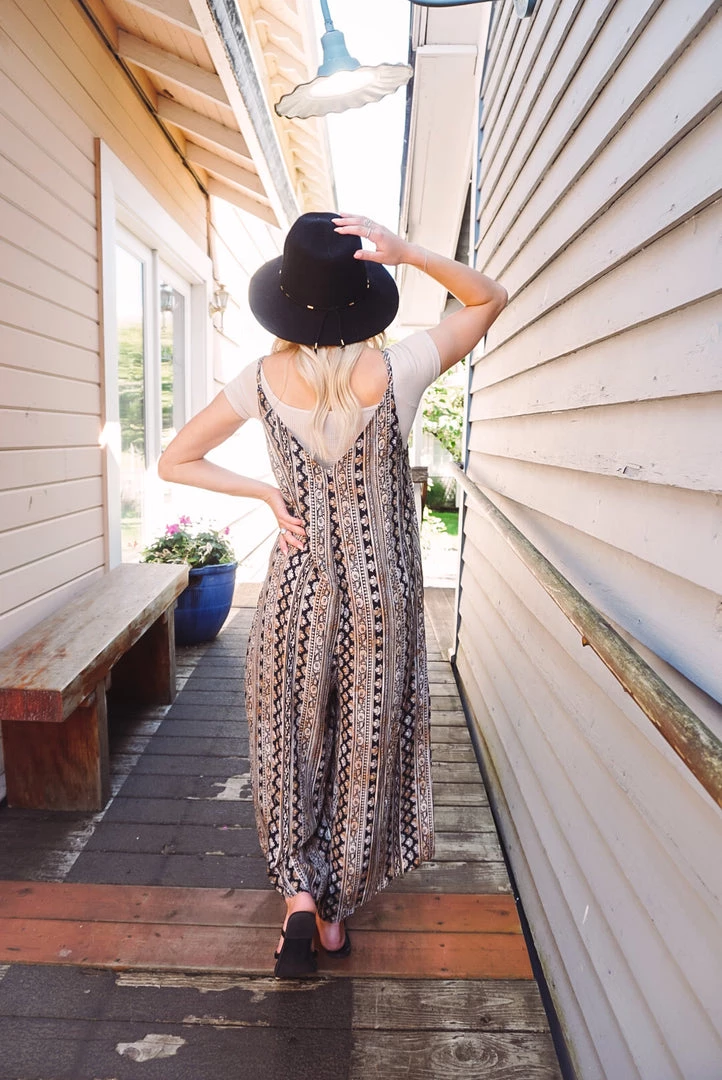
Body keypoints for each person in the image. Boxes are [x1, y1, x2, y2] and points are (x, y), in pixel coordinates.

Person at [158, 212, 507, 977]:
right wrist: (408, 252)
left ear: (287, 298)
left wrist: (265, 492)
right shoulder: (401, 368)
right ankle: (337, 911)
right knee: (363, 742)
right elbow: (489, 298)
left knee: (286, 737)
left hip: (295, 588)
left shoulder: (259, 379)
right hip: (382, 595)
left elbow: (174, 459)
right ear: (362, 293)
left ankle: (298, 899)